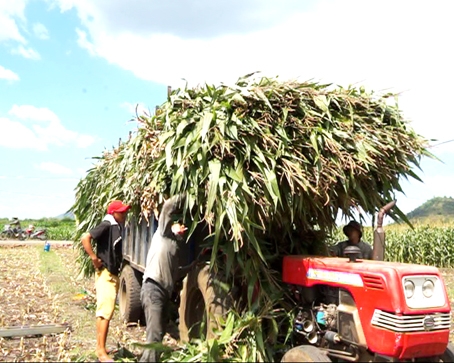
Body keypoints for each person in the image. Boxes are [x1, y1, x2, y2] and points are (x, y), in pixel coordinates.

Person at [140, 194, 196, 362]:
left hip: (163, 292)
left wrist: (193, 266)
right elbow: (168, 207)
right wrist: (189, 194)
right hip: (153, 289)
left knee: (159, 332)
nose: (182, 229)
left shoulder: (173, 248)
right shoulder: (163, 233)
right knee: (155, 335)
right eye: (179, 226)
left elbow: (175, 273)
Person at [81, 200, 131, 362]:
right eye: (121, 212)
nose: (124, 214)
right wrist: (94, 258)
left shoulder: (115, 225)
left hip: (111, 274)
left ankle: (100, 347)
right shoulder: (107, 224)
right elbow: (85, 238)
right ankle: (101, 353)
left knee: (105, 312)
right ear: (113, 213)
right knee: (105, 313)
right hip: (106, 274)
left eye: (124, 211)